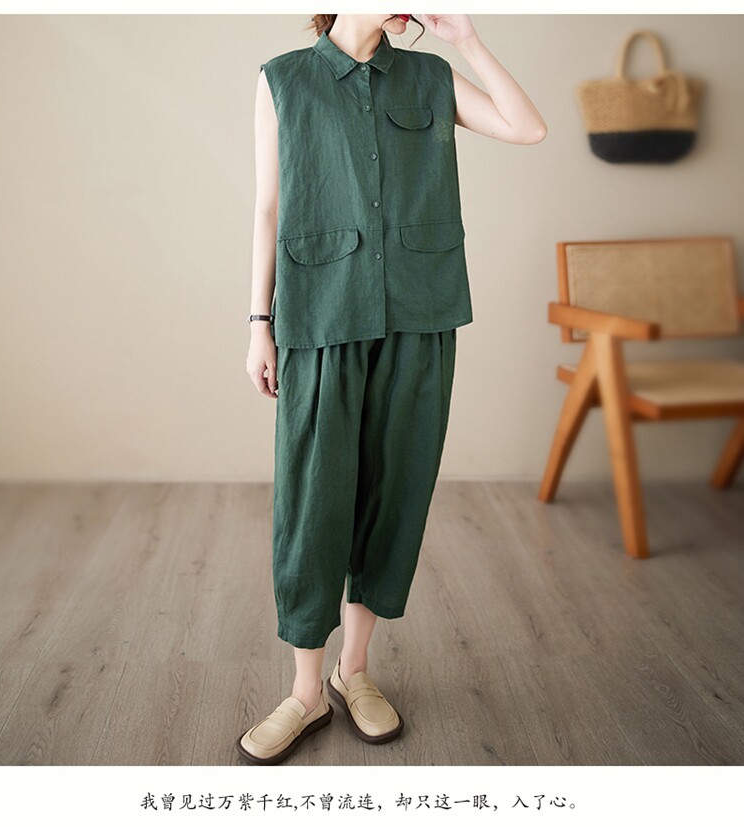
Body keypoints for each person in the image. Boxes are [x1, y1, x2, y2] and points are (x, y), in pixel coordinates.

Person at [237, 13, 547, 766]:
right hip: (321, 313)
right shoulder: (284, 79)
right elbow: (268, 207)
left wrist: (466, 39)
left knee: (396, 491)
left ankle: (355, 670)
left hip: (419, 310)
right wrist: (259, 324)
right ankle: (306, 691)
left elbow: (527, 128)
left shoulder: (431, 76)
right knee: (314, 500)